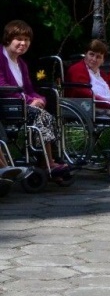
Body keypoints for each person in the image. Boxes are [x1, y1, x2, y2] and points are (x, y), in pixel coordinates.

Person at [0, 20, 72, 180]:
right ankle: (47, 163)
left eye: (26, 40)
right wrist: (28, 101)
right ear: (8, 39)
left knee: (49, 115)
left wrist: (39, 99)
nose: (23, 43)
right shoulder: (0, 58)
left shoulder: (21, 64)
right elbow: (4, 87)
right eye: (19, 39)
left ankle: (48, 160)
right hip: (7, 106)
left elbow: (29, 89)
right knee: (42, 116)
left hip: (22, 105)